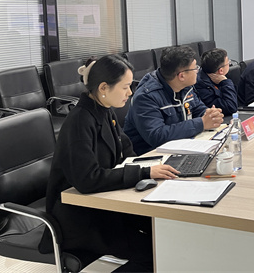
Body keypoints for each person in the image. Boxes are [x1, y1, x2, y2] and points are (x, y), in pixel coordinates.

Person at [45, 55, 178, 271]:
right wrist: (144, 173)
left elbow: (126, 152)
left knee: (168, 230)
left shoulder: (104, 110)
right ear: (104, 87)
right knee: (153, 251)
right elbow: (88, 179)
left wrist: (152, 167)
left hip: (105, 203)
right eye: (125, 87)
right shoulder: (79, 122)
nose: (130, 93)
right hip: (81, 218)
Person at [124, 45, 224, 155]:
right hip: (151, 156)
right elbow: (157, 135)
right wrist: (202, 123)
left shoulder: (186, 86)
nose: (197, 71)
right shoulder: (146, 96)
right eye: (195, 68)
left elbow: (197, 109)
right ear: (181, 76)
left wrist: (211, 115)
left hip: (181, 147)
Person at [194, 48, 238, 116]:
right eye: (228, 63)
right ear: (221, 70)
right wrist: (226, 82)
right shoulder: (201, 85)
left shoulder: (216, 75)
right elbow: (231, 107)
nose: (230, 64)